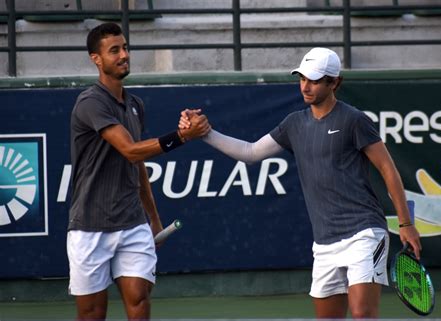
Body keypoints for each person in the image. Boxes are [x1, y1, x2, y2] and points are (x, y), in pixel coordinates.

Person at [180, 47, 421, 319]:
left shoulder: (354, 120)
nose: (305, 86)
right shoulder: (293, 124)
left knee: (363, 314)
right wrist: (206, 133)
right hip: (324, 243)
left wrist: (405, 223)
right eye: (302, 78)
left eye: (315, 80)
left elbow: (388, 169)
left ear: (335, 83)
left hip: (365, 235)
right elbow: (250, 152)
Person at [67, 22, 210, 321]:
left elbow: (137, 163)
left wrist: (153, 219)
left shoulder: (135, 104)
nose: (124, 55)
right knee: (92, 314)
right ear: (96, 58)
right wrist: (181, 137)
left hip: (133, 224)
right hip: (90, 227)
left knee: (139, 300)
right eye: (114, 50)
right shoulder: (90, 103)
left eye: (125, 48)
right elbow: (130, 149)